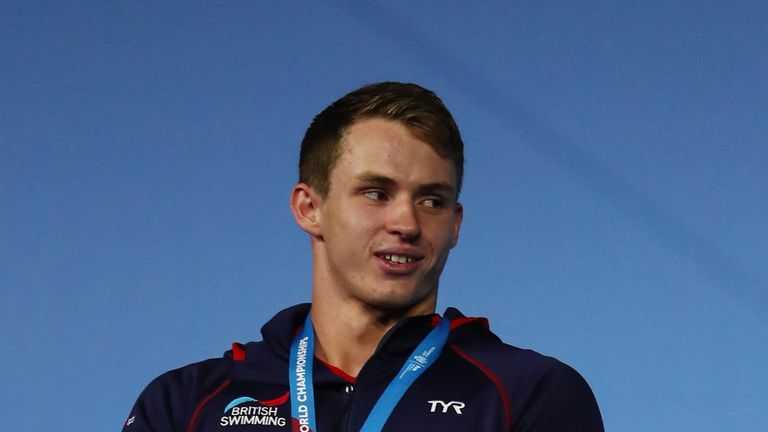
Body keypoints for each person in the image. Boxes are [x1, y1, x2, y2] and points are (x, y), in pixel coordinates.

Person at [122, 82, 604, 431]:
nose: (407, 223)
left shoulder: (529, 394)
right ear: (310, 208)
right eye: (375, 193)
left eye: (432, 200)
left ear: (455, 224)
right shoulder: (186, 404)